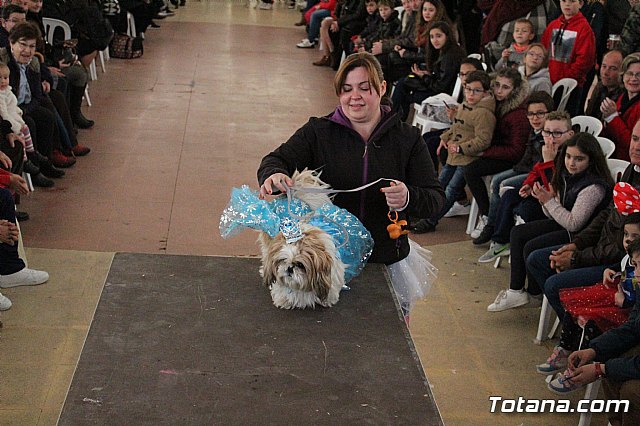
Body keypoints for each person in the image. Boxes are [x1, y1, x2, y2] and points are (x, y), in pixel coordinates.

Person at [257, 52, 445, 318]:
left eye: (364, 87)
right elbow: (275, 159)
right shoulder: (318, 132)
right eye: (346, 89)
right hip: (325, 266)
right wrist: (274, 174)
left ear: (382, 88)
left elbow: (435, 200)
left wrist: (407, 198)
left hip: (386, 258)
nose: (354, 96)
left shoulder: (409, 139)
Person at [526, 121, 640, 323]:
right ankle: (575, 321)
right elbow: (606, 215)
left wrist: (576, 259)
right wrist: (576, 245)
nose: (636, 146)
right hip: (597, 248)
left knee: (553, 284)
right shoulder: (633, 168)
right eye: (634, 138)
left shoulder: (595, 186)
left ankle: (581, 332)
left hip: (621, 263)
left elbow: (624, 248)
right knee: (536, 258)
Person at [487, 132, 614, 312]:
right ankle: (516, 291)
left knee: (532, 247)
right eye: (568, 157)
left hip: (582, 236)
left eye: (579, 159)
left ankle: (534, 293)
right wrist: (545, 199)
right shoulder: (568, 175)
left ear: (591, 160)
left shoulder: (593, 187)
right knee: (518, 232)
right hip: (566, 225)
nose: (571, 163)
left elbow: (574, 223)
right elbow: (553, 214)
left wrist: (549, 201)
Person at [537, 201, 640, 377]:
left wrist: (625, 298)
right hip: (618, 292)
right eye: (625, 235)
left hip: (624, 305)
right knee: (575, 304)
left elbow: (634, 304)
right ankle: (568, 348)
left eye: (635, 237)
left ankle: (581, 363)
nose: (628, 240)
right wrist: (613, 270)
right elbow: (624, 267)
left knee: (592, 319)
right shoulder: (632, 257)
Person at [479, 111, 575, 258]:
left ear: (570, 134)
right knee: (510, 193)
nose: (551, 138)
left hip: (555, 205)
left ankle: (514, 243)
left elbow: (557, 188)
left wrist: (549, 161)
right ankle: (500, 241)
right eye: (547, 132)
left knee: (523, 209)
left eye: (557, 133)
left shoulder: (569, 156)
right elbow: (536, 171)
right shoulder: (549, 149)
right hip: (540, 194)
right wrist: (529, 184)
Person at [411, 70, 495, 233]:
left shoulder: (484, 113)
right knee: (439, 184)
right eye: (468, 89)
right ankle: (425, 213)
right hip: (454, 155)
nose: (471, 94)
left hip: (467, 157)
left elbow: (483, 140)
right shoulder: (465, 106)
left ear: (485, 92)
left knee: (451, 190)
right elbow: (456, 126)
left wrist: (461, 147)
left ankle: (431, 220)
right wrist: (445, 137)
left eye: (476, 90)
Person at [472, 91, 555, 245]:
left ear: (550, 113)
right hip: (526, 168)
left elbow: (540, 167)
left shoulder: (549, 135)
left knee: (500, 183)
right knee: (495, 179)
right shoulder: (535, 130)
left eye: (540, 113)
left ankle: (492, 226)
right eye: (530, 114)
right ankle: (492, 224)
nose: (534, 118)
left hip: (536, 174)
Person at [462, 67, 530, 239]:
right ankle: (458, 201)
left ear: (514, 90)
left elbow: (515, 152)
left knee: (470, 170)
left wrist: (484, 152)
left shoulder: (518, 115)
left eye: (505, 87)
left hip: (510, 158)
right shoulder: (493, 103)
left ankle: (487, 217)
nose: (499, 91)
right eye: (497, 85)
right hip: (493, 149)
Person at [390, 20, 465, 122]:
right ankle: (395, 123)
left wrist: (424, 77)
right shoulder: (446, 51)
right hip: (438, 89)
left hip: (442, 96)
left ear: (447, 36)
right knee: (404, 83)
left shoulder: (450, 56)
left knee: (404, 90)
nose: (435, 40)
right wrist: (427, 75)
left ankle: (394, 123)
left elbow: (440, 87)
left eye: (438, 36)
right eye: (432, 37)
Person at [0, 62, 52, 187]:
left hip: (15, 115)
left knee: (47, 114)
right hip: (8, 119)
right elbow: (3, 113)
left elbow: (36, 95)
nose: (3, 81)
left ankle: (35, 155)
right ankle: (28, 162)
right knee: (22, 134)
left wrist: (21, 113)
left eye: (5, 78)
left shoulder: (33, 63)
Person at [541, 0, 596, 116]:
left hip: (571, 86)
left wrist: (568, 79)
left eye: (572, 1)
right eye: (564, 1)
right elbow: (543, 50)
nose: (567, 4)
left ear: (580, 4)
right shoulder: (553, 25)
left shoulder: (584, 29)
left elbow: (585, 60)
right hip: (549, 83)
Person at [601, 53, 640, 162]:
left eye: (639, 75)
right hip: (613, 155)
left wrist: (612, 118)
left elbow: (633, 144)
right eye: (630, 74)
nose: (633, 79)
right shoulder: (622, 97)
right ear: (622, 76)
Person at [584, 49, 624, 120]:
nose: (605, 72)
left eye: (612, 68)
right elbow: (589, 114)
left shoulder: (624, 94)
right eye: (604, 66)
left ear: (622, 72)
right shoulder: (600, 86)